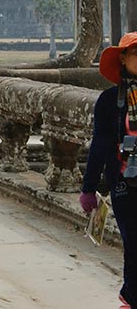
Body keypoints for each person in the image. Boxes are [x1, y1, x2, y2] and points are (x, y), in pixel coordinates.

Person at [81, 32, 137, 308]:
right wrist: (88, 188)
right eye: (136, 53)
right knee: (133, 243)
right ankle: (130, 297)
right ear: (123, 59)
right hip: (124, 183)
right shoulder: (108, 101)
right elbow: (100, 145)